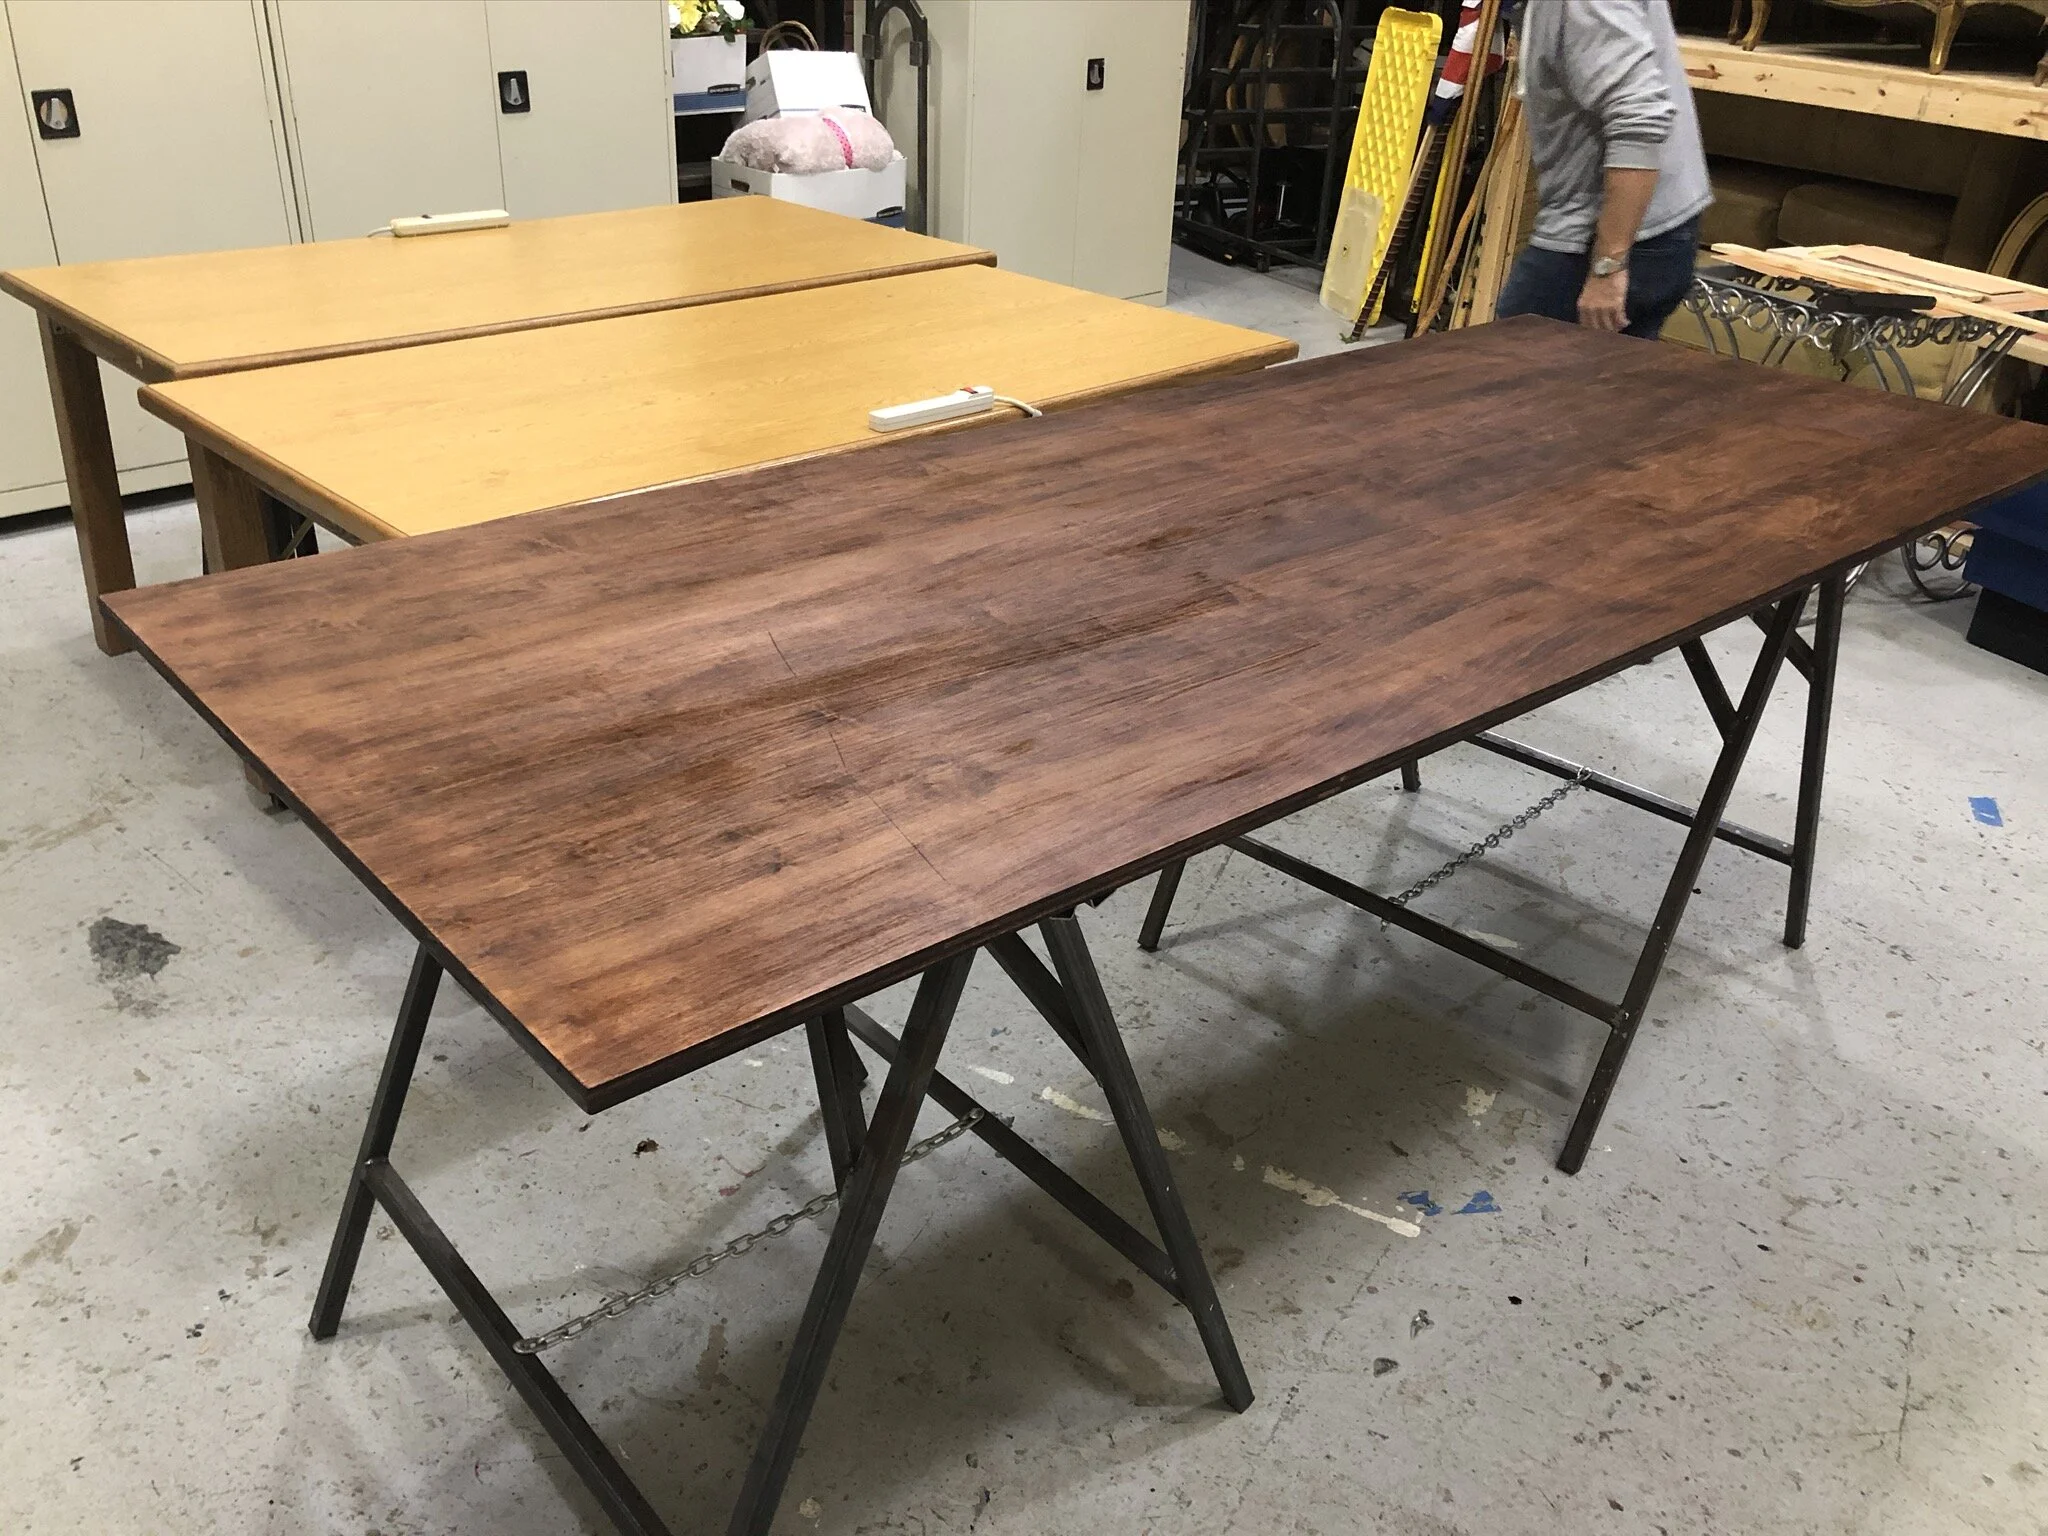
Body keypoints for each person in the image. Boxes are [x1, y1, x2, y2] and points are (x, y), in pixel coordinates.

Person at [1496, 0, 1712, 339]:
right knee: (1604, 386)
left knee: (1498, 364)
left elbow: (1639, 121)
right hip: (1644, 229)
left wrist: (1608, 268)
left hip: (1611, 239)